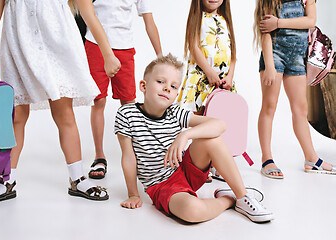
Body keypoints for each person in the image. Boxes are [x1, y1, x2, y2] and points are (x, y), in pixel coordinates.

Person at [0, 0, 121, 207]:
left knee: (64, 114)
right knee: (15, 115)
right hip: (18, 45)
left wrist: (107, 54)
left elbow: (88, 12)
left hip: (57, 46)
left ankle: (77, 178)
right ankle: (5, 180)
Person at [114, 54, 274, 223]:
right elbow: (128, 157)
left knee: (211, 139)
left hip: (185, 169)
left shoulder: (175, 112)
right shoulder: (127, 115)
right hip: (162, 185)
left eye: (173, 86)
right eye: (160, 82)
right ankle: (229, 200)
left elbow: (220, 124)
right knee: (192, 211)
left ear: (176, 93)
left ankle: (243, 196)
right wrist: (133, 194)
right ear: (143, 86)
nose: (167, 88)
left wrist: (186, 134)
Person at [254, 0, 336, 179]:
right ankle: (267, 158)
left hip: (297, 57)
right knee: (269, 106)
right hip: (274, 55)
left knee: (300, 109)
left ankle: (311, 158)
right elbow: (265, 32)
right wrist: (268, 65)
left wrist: (278, 23)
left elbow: (310, 20)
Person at [85, 0, 162, 180]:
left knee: (128, 103)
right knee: (98, 101)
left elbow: (149, 21)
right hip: (95, 45)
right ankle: (99, 156)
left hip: (125, 48)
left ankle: (136, 156)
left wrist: (160, 55)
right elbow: (87, 13)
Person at [177, 0, 236, 115]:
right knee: (198, 118)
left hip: (223, 81)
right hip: (201, 77)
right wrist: (209, 72)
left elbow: (232, 53)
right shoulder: (198, 18)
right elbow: (194, 48)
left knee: (220, 118)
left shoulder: (225, 20)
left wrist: (230, 76)